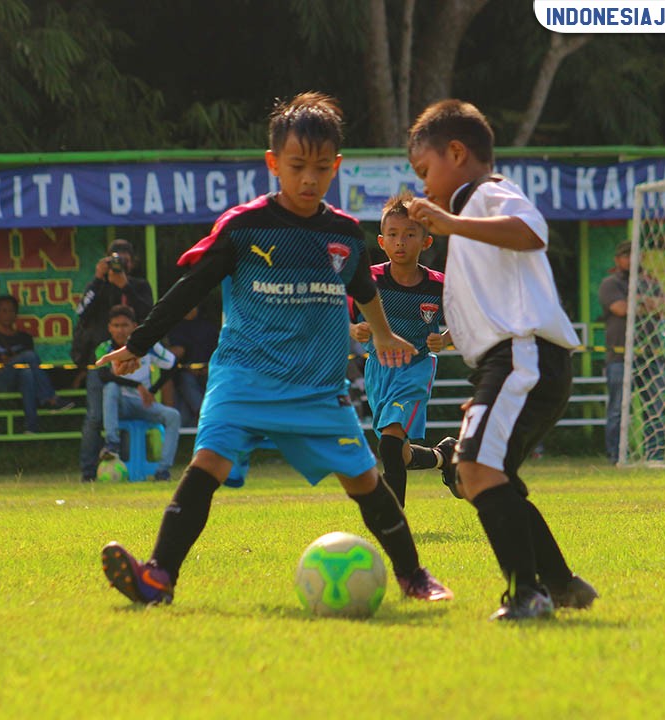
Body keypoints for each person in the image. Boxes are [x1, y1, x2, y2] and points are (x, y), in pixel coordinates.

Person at [98, 91, 452, 607]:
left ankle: (414, 575)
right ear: (273, 165)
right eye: (297, 166)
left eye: (321, 168)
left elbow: (364, 288)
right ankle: (158, 577)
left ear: (337, 167)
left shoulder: (344, 233)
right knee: (208, 465)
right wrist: (138, 344)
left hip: (317, 388)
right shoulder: (245, 228)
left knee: (365, 480)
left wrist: (380, 331)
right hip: (244, 377)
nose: (309, 179)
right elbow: (190, 288)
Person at [406, 99, 597, 620]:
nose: (423, 186)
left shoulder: (487, 193)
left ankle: (527, 594)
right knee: (486, 477)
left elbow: (533, 231)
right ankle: (561, 584)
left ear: (457, 152)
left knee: (474, 469)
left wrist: (448, 221)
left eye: (425, 171)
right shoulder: (466, 212)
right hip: (512, 362)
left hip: (524, 354)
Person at [349, 190, 455, 507]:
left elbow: (468, 320)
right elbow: (339, 316)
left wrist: (446, 338)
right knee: (399, 451)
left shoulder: (439, 285)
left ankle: (392, 519)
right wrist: (354, 328)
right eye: (393, 235)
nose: (400, 242)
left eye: (410, 235)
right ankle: (444, 456)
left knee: (392, 442)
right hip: (378, 369)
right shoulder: (368, 280)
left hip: (416, 368)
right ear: (381, 242)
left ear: (426, 242)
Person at [73, 239, 154, 482]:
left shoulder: (139, 285)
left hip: (133, 358)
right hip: (101, 360)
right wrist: (98, 280)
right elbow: (81, 313)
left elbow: (150, 314)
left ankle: (126, 468)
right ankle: (88, 473)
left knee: (128, 416)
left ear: (132, 262)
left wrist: (126, 287)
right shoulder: (99, 287)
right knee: (95, 417)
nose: (119, 264)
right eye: (114, 259)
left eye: (124, 260)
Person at [599, 240, 665, 464]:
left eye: (634, 255)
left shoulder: (651, 282)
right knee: (619, 410)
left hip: (651, 354)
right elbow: (619, 309)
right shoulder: (610, 284)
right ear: (617, 259)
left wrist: (638, 300)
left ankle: (655, 455)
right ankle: (617, 456)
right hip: (620, 356)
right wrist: (648, 304)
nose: (630, 259)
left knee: (655, 407)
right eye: (625, 255)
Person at [95, 305, 181, 481]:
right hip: (119, 404)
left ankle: (162, 470)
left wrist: (152, 390)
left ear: (134, 326)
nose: (120, 330)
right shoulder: (104, 349)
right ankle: (112, 445)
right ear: (109, 328)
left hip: (143, 403)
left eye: (124, 325)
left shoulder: (149, 346)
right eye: (116, 325)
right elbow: (104, 376)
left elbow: (173, 365)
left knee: (173, 416)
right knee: (110, 388)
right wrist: (137, 385)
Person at [0, 295, 73, 433]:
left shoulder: (25, 338)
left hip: (23, 380)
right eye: (4, 311)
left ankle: (31, 427)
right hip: (0, 380)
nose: (8, 315)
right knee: (29, 356)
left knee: (27, 373)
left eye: (11, 311)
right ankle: (51, 399)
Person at [163, 306, 218, 427]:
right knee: (185, 381)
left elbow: (217, 351)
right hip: (184, 373)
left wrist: (208, 367)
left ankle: (208, 416)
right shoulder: (175, 329)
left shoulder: (208, 327)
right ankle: (203, 413)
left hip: (209, 371)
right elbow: (175, 354)